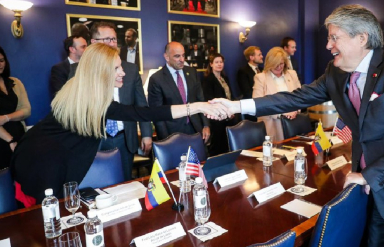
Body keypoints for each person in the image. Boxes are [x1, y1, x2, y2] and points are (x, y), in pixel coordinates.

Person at [213, 5, 384, 247]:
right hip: (377, 195)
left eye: (334, 37)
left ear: (361, 37)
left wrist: (368, 175)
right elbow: (293, 98)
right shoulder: (335, 71)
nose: (328, 45)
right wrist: (236, 106)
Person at [11, 43, 228, 207]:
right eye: (116, 69)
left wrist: (197, 107)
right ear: (101, 72)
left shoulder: (87, 94)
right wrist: (196, 107)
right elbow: (144, 112)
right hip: (38, 166)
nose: (122, 72)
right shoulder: (90, 100)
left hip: (45, 161)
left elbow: (143, 112)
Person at [70, 21, 153, 181]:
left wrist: (147, 134)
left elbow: (141, 105)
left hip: (124, 138)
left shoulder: (130, 69)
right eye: (107, 39)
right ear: (94, 43)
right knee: (95, 184)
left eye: (114, 39)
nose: (112, 43)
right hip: (93, 138)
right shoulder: (78, 71)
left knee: (125, 182)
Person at [148, 41, 211, 142]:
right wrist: (166, 140)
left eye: (183, 55)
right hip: (172, 133)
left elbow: (200, 100)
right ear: (167, 57)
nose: (182, 60)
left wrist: (206, 125)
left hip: (196, 129)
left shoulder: (192, 72)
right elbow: (157, 114)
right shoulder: (156, 79)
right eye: (177, 56)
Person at [252, 47, 301, 141]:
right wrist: (282, 113)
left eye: (281, 63)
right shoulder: (260, 78)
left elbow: (300, 96)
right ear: (270, 64)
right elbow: (258, 105)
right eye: (276, 64)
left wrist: (295, 110)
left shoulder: (292, 74)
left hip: (293, 124)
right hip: (271, 126)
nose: (279, 67)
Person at [0, 46, 31, 170]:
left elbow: (26, 110)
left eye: (1, 60)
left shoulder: (15, 82)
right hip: (4, 140)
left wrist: (6, 118)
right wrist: (10, 140)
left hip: (20, 137)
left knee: (23, 175)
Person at [202, 53, 238, 156]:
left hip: (229, 116)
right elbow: (209, 99)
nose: (219, 64)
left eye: (221, 62)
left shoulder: (224, 78)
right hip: (217, 118)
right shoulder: (208, 79)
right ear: (211, 64)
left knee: (228, 145)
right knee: (218, 146)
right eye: (216, 62)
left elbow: (229, 96)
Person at [237, 46, 263, 122]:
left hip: (265, 105)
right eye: (259, 55)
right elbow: (247, 91)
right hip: (252, 107)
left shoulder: (263, 70)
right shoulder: (243, 71)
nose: (262, 56)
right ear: (251, 57)